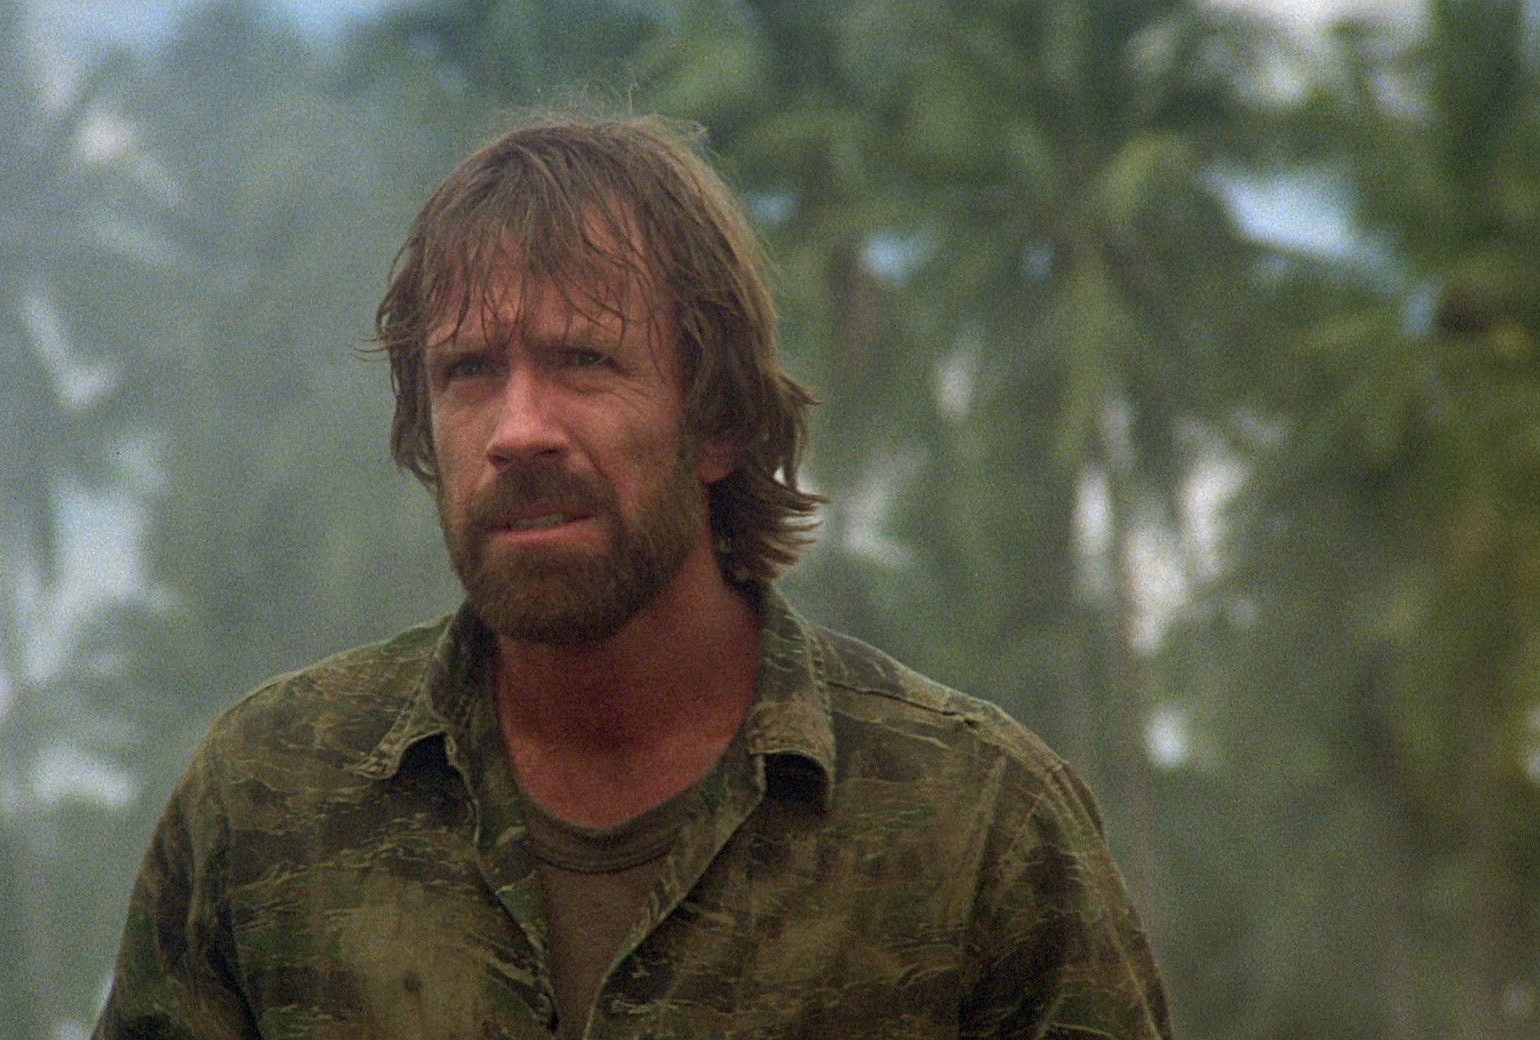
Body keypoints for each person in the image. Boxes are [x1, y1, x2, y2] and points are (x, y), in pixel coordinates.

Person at [92, 114, 1171, 1040]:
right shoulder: (268, 798)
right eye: (467, 371)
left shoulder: (974, 826)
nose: (517, 429)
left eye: (584, 360)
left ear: (719, 420)